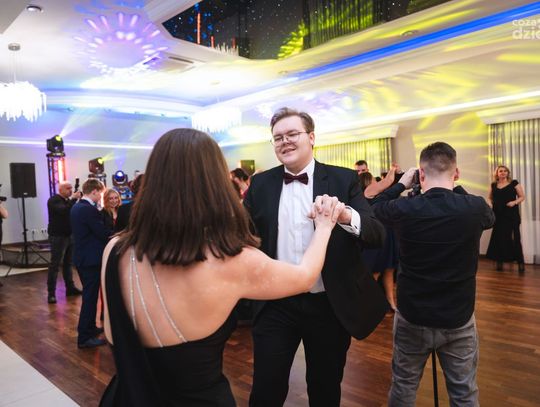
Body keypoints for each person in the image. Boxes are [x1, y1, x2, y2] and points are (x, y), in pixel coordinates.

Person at [98, 128, 345, 406]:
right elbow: (305, 277)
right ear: (215, 181)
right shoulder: (231, 259)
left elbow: (111, 328)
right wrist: (324, 226)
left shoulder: (114, 250)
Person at [244, 107, 388, 407]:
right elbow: (244, 236)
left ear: (311, 137)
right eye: (278, 137)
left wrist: (345, 215)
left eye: (292, 134)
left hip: (328, 304)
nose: (285, 141)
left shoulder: (343, 179)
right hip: (275, 304)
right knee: (266, 389)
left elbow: (376, 234)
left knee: (325, 388)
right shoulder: (260, 184)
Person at [371, 142, 495, 406]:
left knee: (403, 388)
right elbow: (490, 217)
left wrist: (401, 184)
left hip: (412, 315)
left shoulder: (404, 208)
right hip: (457, 317)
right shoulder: (474, 207)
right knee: (464, 393)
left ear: (421, 174)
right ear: (456, 173)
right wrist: (454, 188)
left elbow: (373, 206)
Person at [71, 178, 112, 348]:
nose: (100, 197)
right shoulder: (88, 209)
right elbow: (101, 233)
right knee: (90, 298)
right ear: (94, 191)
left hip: (83, 257)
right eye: (100, 194)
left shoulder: (77, 206)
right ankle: (84, 337)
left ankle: (90, 328)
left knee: (91, 296)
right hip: (90, 260)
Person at [46, 181, 83, 304]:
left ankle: (70, 288)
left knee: (68, 264)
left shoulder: (68, 201)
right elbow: (64, 211)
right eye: (68, 188)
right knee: (55, 265)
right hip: (58, 236)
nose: (70, 190)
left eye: (71, 188)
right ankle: (51, 293)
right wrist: (73, 199)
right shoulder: (53, 200)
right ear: (60, 189)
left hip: (70, 235)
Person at [486, 165, 526, 273]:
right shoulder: (493, 185)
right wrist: (490, 204)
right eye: (500, 171)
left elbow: (522, 196)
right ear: (497, 173)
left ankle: (520, 262)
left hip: (512, 215)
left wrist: (514, 202)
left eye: (505, 171)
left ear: (508, 173)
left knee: (515, 238)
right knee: (499, 238)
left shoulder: (514, 183)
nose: (503, 173)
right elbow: (489, 198)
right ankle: (500, 261)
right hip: (498, 215)